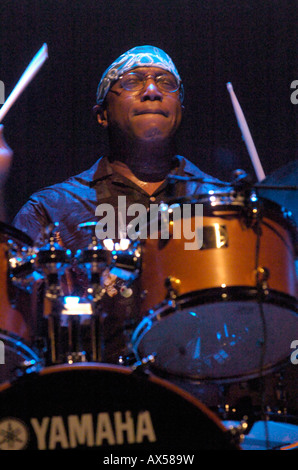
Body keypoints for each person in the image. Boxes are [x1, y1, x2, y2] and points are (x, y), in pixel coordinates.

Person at [2, 45, 225, 364]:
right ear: (102, 114)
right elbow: (9, 314)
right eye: (133, 81)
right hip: (95, 392)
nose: (151, 91)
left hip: (207, 385)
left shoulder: (219, 201)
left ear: (180, 109)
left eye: (166, 82)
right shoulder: (52, 207)